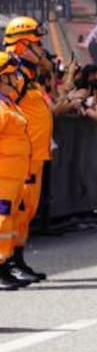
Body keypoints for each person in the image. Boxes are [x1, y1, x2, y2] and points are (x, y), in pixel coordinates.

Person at [4, 17, 56, 277]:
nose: (42, 48)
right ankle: (8, 262)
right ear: (23, 44)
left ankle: (18, 258)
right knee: (14, 210)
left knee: (26, 211)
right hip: (19, 158)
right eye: (37, 43)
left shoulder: (28, 75)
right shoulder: (13, 74)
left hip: (33, 155)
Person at [0, 51, 32, 290]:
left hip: (12, 177)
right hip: (2, 176)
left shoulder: (7, 104)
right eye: (12, 75)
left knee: (7, 223)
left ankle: (4, 265)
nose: (17, 79)